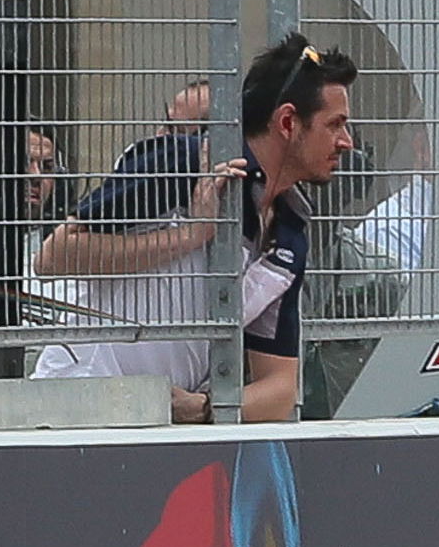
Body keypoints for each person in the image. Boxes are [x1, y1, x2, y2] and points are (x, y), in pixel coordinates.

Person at [30, 34, 354, 421]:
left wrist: (202, 408)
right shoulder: (181, 163)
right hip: (76, 406)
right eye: (335, 125)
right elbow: (53, 258)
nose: (346, 142)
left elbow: (281, 389)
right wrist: (193, 235)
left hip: (162, 431)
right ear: (287, 122)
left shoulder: (290, 231)